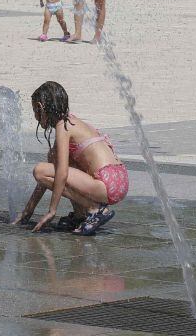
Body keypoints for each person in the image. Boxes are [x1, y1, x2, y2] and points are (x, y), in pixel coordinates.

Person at [12, 81, 128, 235]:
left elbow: (60, 173)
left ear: (40, 107)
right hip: (118, 179)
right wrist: (29, 210)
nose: (35, 117)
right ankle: (81, 216)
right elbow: (49, 178)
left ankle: (94, 209)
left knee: (40, 170)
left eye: (35, 111)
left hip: (106, 183)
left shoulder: (63, 127)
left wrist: (52, 211)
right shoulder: (72, 122)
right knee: (55, 164)